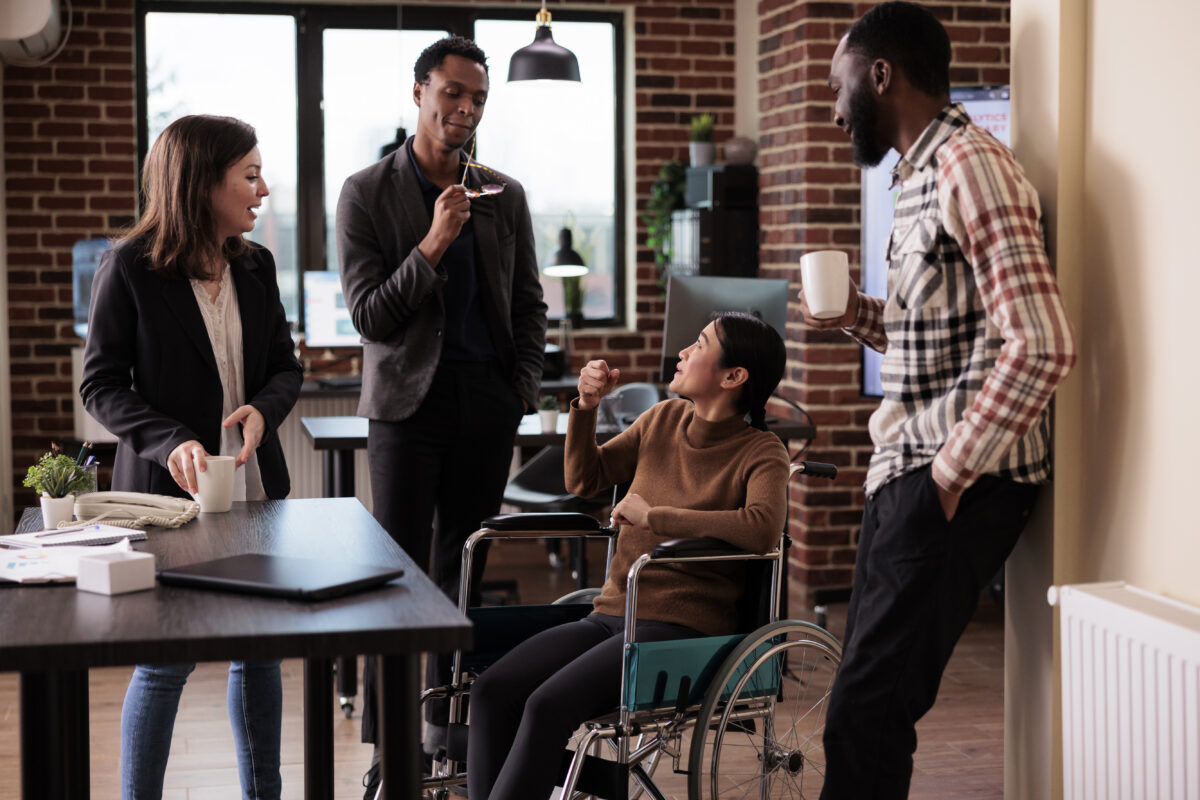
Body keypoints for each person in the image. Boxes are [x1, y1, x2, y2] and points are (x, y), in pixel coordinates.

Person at [804, 3, 1078, 798]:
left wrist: (948, 478)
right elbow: (950, 341)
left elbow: (1042, 341)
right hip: (909, 472)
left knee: (866, 714)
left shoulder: (970, 166)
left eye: (838, 83)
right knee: (865, 706)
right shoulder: (915, 176)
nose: (832, 106)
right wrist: (855, 314)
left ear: (880, 74)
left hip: (951, 477)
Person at [335, 35, 547, 789]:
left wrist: (520, 385)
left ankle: (446, 734)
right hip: (405, 408)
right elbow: (369, 317)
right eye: (453, 93)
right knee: (397, 576)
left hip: (487, 402)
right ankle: (392, 744)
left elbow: (528, 303)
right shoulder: (366, 192)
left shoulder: (505, 193)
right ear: (420, 92)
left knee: (462, 571)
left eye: (478, 98)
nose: (465, 108)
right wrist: (432, 242)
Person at [466, 312, 791, 800]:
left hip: (678, 630)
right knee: (492, 690)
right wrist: (587, 407)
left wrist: (658, 516)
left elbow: (762, 527)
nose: (682, 352)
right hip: (612, 613)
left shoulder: (762, 452)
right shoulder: (661, 419)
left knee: (546, 706)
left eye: (698, 344)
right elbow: (584, 480)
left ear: (733, 377)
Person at [80, 114, 303, 800]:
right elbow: (101, 385)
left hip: (253, 492)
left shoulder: (257, 264)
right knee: (166, 663)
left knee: (258, 654)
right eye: (250, 174)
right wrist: (168, 437)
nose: (263, 189)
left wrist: (263, 410)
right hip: (164, 500)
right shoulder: (130, 268)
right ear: (204, 183)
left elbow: (284, 369)